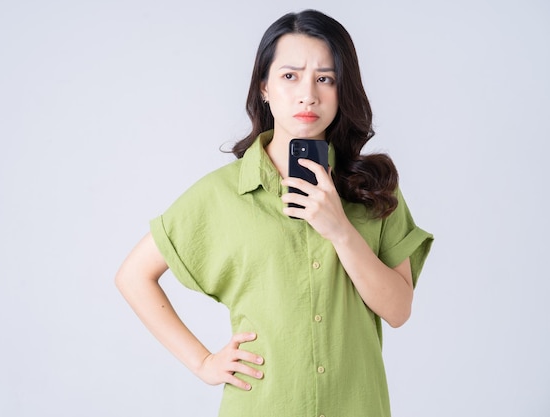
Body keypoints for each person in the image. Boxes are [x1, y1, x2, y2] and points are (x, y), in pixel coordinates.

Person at [116, 9, 433, 417]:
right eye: (290, 76)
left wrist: (340, 230)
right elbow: (133, 276)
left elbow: (398, 310)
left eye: (325, 78)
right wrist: (203, 362)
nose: (308, 94)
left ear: (342, 89)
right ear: (264, 87)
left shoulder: (373, 188)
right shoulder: (223, 194)